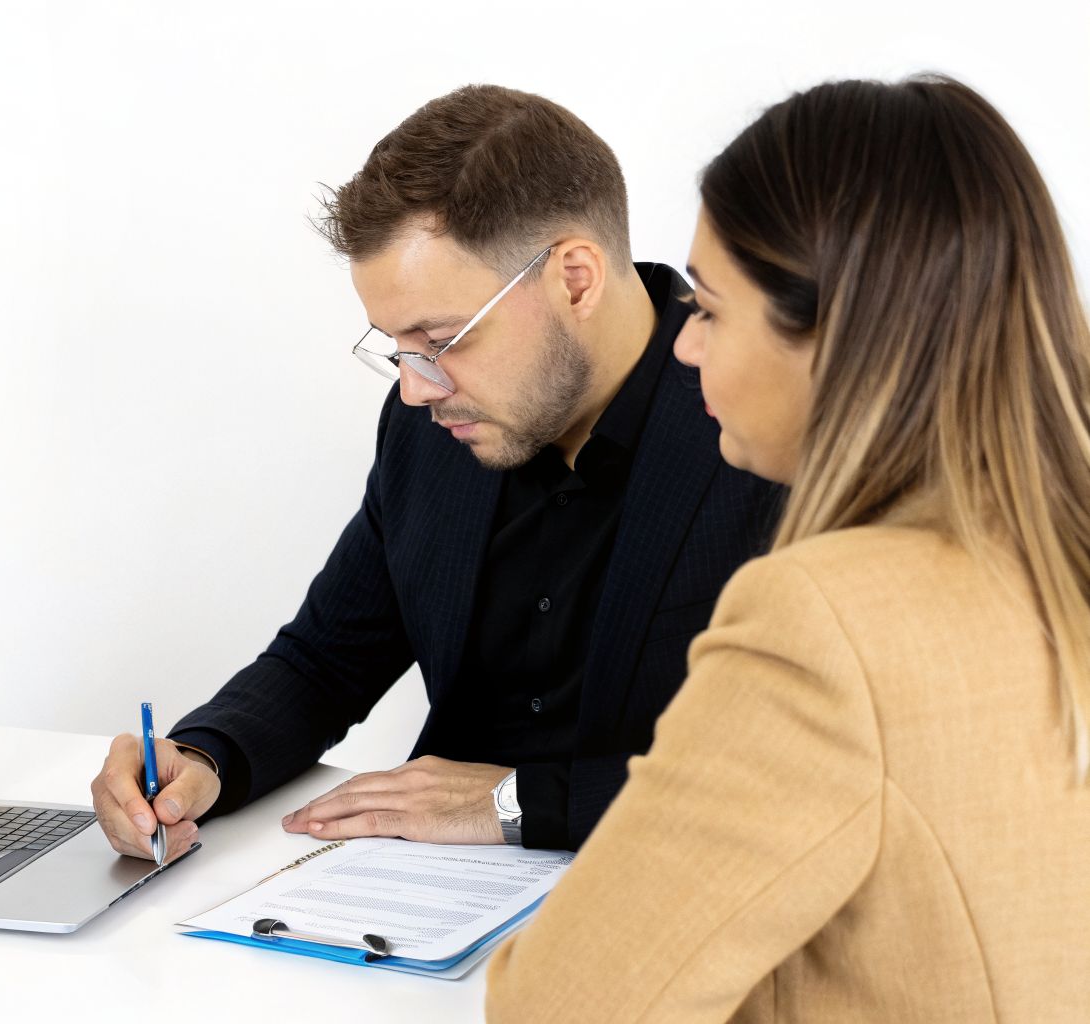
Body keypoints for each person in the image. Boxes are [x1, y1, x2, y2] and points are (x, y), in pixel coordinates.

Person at [484, 74, 1090, 1021]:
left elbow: (562, 1006)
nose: (683, 348)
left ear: (837, 336)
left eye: (713, 310)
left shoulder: (829, 619)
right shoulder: (1052, 565)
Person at [89, 84, 782, 860]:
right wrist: (205, 760)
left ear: (576, 279)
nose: (415, 387)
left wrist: (521, 799)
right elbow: (325, 658)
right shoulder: (430, 427)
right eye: (396, 347)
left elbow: (806, 774)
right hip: (422, 905)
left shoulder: (771, 420)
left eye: (443, 338)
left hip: (672, 894)